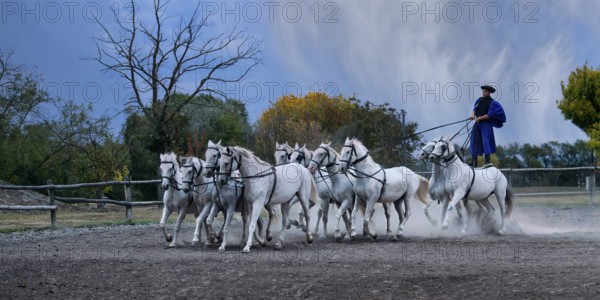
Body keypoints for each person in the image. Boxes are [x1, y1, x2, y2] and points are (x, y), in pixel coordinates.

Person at [469, 85, 506, 168]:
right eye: (483, 91)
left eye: (485, 91)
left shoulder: (492, 103)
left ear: (489, 92)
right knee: (474, 141)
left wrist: (479, 118)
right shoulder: (479, 100)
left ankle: (487, 161)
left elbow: (490, 114)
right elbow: (474, 109)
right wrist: (472, 115)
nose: (483, 93)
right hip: (477, 124)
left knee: (486, 141)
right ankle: (474, 161)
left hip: (486, 125)